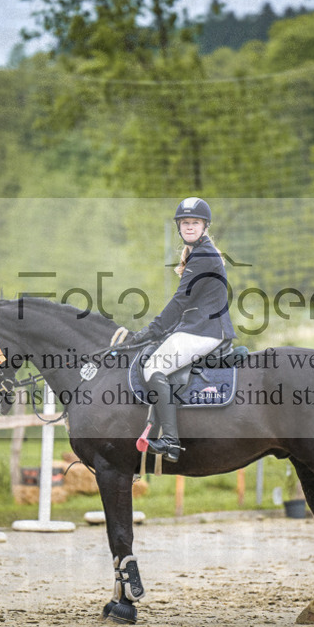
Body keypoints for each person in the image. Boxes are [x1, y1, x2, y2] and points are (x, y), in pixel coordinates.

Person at [133, 197, 237, 462]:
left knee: (153, 367)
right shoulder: (200, 252)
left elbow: (181, 300)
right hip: (197, 327)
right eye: (185, 223)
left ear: (204, 226)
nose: (189, 227)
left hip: (204, 330)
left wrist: (152, 330)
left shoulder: (203, 255)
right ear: (179, 227)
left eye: (195, 222)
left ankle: (170, 440)